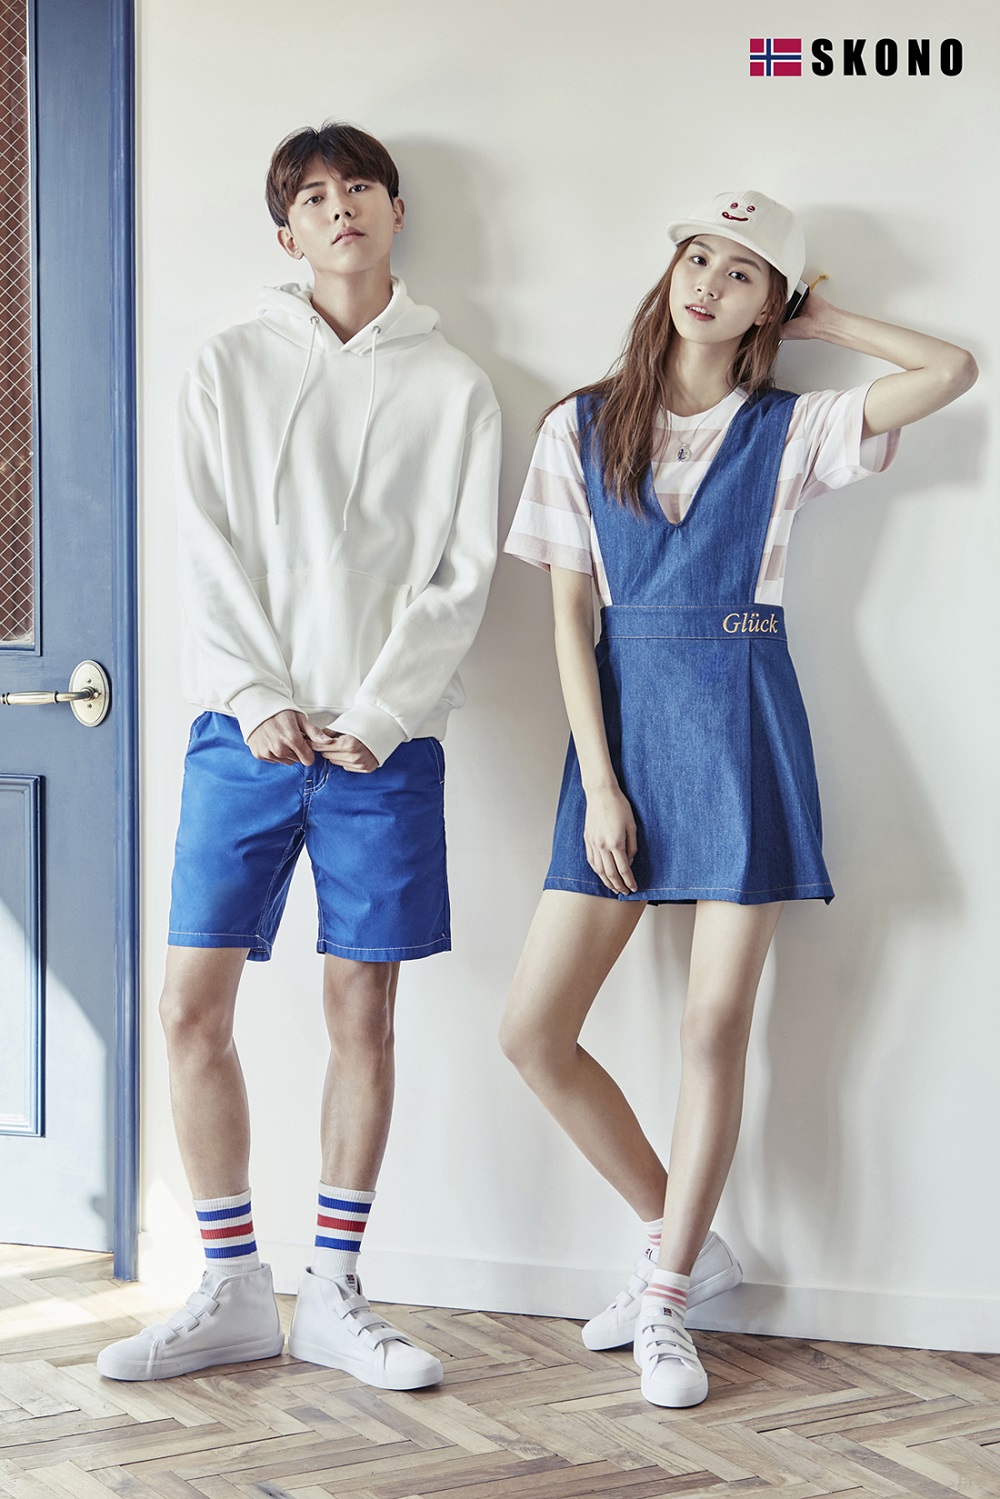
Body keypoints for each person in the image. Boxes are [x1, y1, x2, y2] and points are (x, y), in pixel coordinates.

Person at [500, 190, 976, 1408]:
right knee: (533, 1031)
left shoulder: (791, 427)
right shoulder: (576, 424)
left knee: (713, 1026)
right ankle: (682, 1241)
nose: (708, 282)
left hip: (742, 723)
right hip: (623, 733)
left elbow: (951, 371)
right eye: (697, 256)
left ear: (773, 303)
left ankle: (664, 1299)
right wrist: (600, 783)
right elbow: (567, 616)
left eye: (745, 272)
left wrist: (831, 322)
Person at [97, 123, 500, 1388]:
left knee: (360, 1011)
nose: (340, 209)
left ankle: (331, 1291)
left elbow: (461, 575)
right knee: (188, 1005)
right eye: (313, 197)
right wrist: (256, 692)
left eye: (359, 188)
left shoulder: (456, 386)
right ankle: (227, 1286)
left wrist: (377, 713)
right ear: (288, 232)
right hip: (242, 734)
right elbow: (202, 540)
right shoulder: (227, 363)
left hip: (387, 747)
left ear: (394, 212)